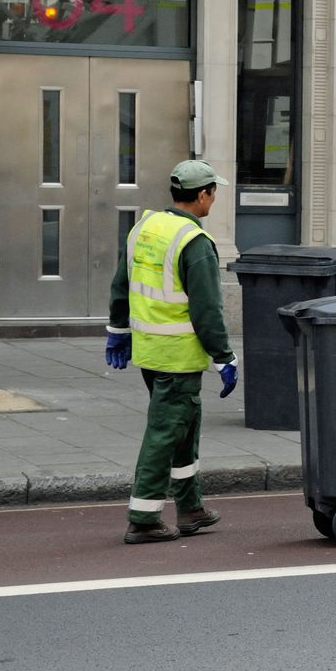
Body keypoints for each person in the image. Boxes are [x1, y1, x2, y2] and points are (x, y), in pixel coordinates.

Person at [105, 159, 239, 545]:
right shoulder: (194, 242)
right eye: (214, 193)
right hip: (178, 356)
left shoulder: (144, 227)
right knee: (165, 433)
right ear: (202, 195)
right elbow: (207, 310)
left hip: (149, 350)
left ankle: (191, 507)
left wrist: (118, 331)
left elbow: (121, 283)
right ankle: (144, 519)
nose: (214, 200)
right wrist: (224, 357)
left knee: (184, 429)